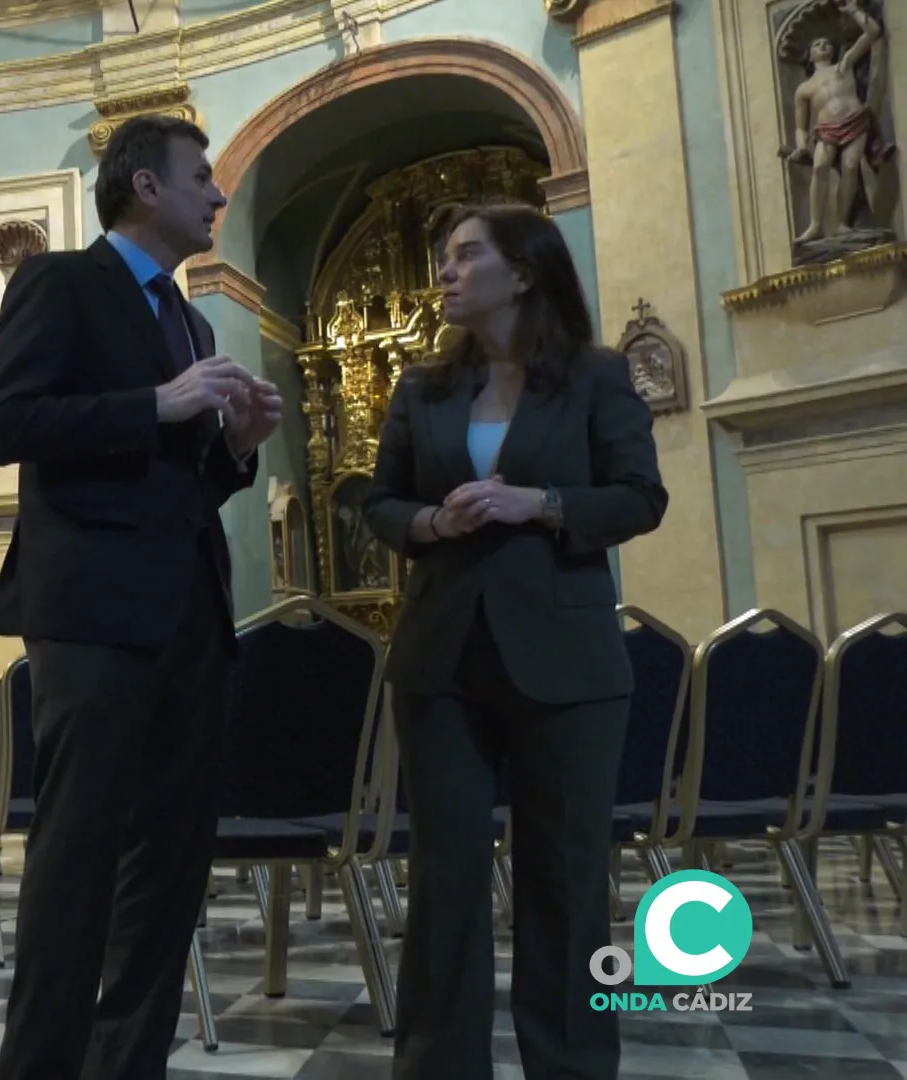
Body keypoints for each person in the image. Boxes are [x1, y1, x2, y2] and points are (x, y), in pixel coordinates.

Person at [0, 113, 283, 1079]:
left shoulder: (191, 319)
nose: (217, 194)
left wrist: (235, 446)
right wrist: (159, 403)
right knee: (77, 864)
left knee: (171, 869)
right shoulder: (62, 281)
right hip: (94, 616)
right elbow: (8, 424)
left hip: (191, 614)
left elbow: (185, 483)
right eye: (203, 177)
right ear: (146, 186)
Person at [361, 201, 669, 1080]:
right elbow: (376, 502)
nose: (445, 272)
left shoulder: (598, 377)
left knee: (566, 883)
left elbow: (640, 497)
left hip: (566, 661)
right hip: (443, 656)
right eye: (443, 256)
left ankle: (572, 1065)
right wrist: (429, 518)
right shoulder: (422, 386)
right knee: (445, 882)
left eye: (465, 255)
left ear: (524, 272)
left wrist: (542, 504)